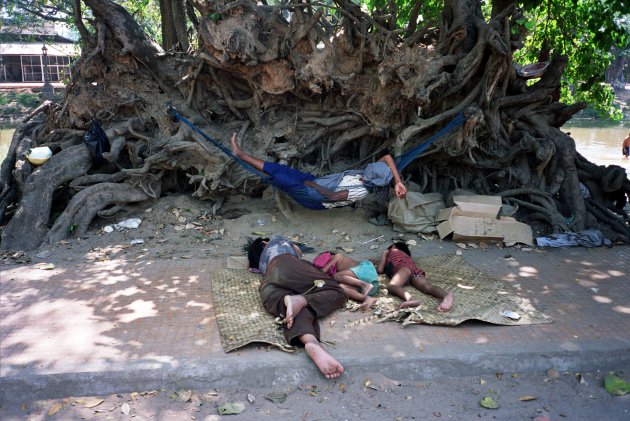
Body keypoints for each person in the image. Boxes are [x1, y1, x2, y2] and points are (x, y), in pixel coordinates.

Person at [246, 236, 347, 379]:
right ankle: (301, 299)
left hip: (268, 286)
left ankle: (311, 342)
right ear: (264, 243)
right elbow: (298, 252)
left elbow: (251, 268)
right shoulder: (277, 241)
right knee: (336, 291)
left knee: (292, 312)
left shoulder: (261, 267)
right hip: (287, 264)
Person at [231, 133, 407, 209]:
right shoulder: (371, 175)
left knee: (278, 176)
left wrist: (311, 185)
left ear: (373, 179)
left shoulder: (360, 191)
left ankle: (240, 155)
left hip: (313, 197)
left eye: (372, 170)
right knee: (280, 169)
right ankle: (241, 154)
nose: (369, 168)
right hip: (315, 182)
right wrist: (398, 182)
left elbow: (331, 197)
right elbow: (388, 158)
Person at [376, 242, 454, 312]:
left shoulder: (391, 252)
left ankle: (410, 299)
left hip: (404, 268)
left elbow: (380, 270)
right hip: (415, 270)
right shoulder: (406, 257)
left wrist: (384, 254)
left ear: (393, 247)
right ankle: (445, 295)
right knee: (426, 287)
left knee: (392, 286)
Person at [313, 251, 378, 310]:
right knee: (341, 287)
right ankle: (366, 298)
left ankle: (365, 285)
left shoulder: (337, 256)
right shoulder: (343, 276)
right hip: (371, 288)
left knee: (336, 276)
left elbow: (325, 269)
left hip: (365, 271)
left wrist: (324, 269)